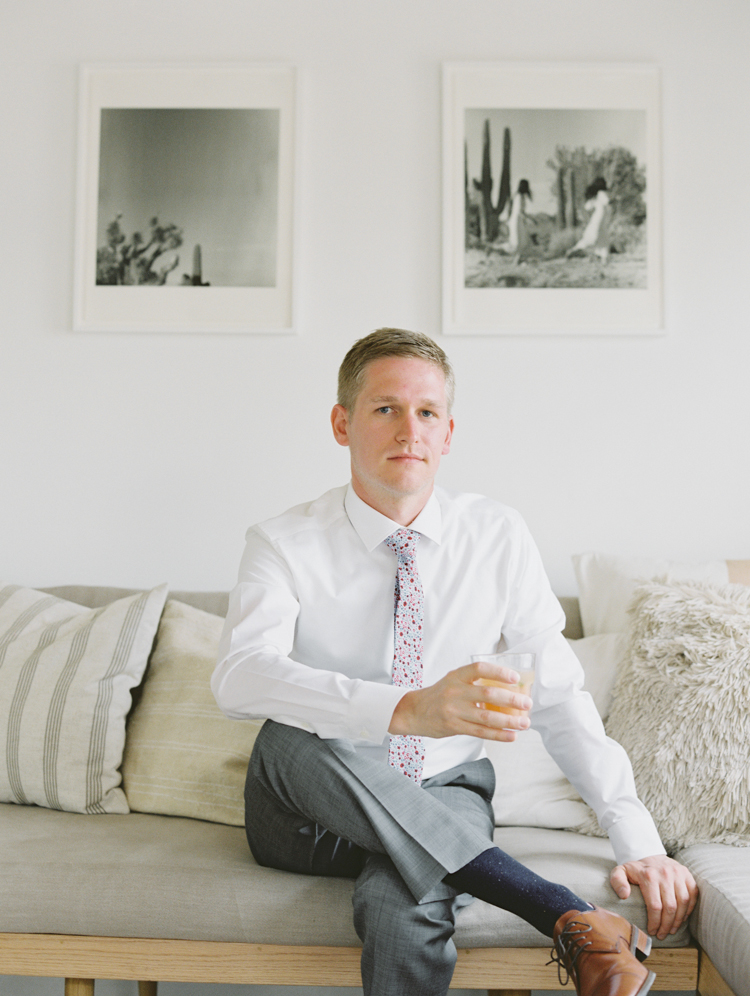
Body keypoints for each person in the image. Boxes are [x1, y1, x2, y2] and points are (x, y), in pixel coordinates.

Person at [213, 328, 697, 996]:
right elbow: (239, 675)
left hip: (444, 793)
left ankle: (537, 905)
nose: (409, 429)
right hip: (309, 813)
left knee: (406, 904)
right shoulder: (282, 541)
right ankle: (560, 911)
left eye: (427, 413)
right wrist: (405, 709)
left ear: (447, 433)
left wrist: (636, 837)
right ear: (342, 422)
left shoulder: (497, 536)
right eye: (386, 408)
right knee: (286, 737)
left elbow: (557, 697)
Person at [566, 177, 612, 262]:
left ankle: (577, 250)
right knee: (598, 237)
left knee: (597, 236)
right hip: (601, 218)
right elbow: (607, 202)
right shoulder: (602, 193)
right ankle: (602, 257)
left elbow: (587, 207)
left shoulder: (595, 196)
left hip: (596, 218)